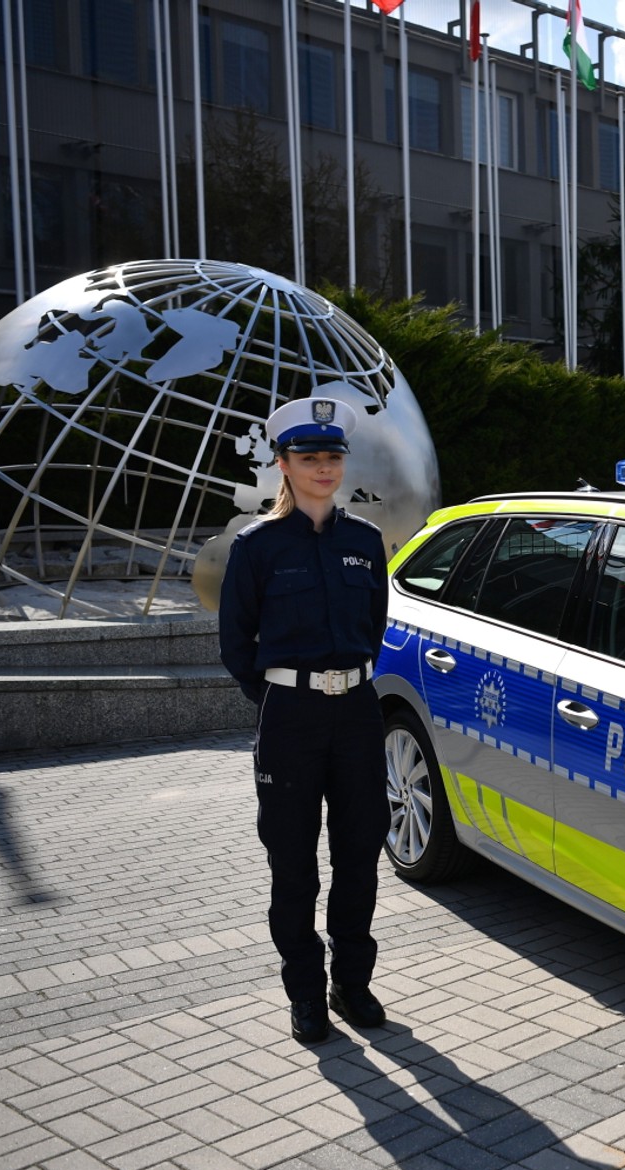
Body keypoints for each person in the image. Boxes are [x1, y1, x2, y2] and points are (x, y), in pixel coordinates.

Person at [219, 397, 392, 1044]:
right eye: (309, 457)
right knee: (293, 866)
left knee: (359, 858)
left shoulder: (365, 542)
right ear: (284, 465)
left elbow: (373, 627)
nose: (324, 468)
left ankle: (353, 983)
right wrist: (276, 700)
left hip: (356, 713)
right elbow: (236, 641)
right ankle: (306, 994)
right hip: (289, 715)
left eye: (333, 456)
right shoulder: (258, 545)